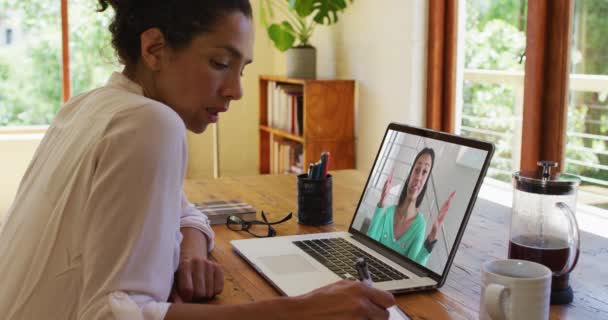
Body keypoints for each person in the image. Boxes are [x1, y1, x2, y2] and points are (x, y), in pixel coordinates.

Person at [0, 1, 395, 319]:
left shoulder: (90, 106)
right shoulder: (151, 123)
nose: (236, 91)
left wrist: (190, 252)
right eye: (221, 64)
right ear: (154, 48)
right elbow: (113, 315)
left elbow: (182, 208)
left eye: (242, 69)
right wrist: (305, 309)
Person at [367, 148, 456, 266]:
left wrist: (432, 235)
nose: (418, 177)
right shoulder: (388, 212)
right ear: (410, 175)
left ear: (425, 182)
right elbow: (368, 244)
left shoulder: (419, 225)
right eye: (417, 170)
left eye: (424, 172)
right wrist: (381, 202)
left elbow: (414, 268)